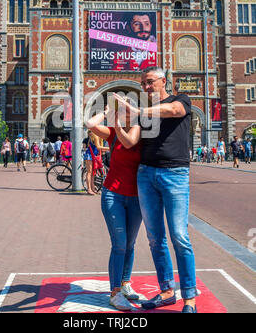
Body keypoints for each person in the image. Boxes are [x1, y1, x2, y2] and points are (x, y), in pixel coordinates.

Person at [113, 66, 198, 313]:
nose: (146, 87)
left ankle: (189, 299)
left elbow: (174, 111)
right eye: (143, 83)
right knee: (154, 239)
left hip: (175, 174)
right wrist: (118, 123)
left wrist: (139, 110)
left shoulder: (181, 100)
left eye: (150, 82)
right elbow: (130, 142)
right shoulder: (144, 113)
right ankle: (167, 291)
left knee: (180, 237)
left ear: (163, 81)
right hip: (146, 175)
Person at [86, 96, 142, 311]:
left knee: (130, 243)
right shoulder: (112, 132)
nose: (124, 114)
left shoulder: (141, 132)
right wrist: (107, 110)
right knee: (119, 243)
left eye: (127, 110)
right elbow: (90, 125)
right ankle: (115, 292)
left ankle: (126, 283)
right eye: (121, 110)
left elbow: (130, 141)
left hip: (137, 197)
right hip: (113, 194)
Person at [83, 130, 107, 195]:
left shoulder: (99, 138)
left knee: (93, 173)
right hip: (89, 155)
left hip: (93, 156)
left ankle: (93, 189)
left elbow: (99, 149)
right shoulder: (95, 137)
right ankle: (89, 189)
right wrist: (109, 148)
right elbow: (99, 147)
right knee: (90, 172)